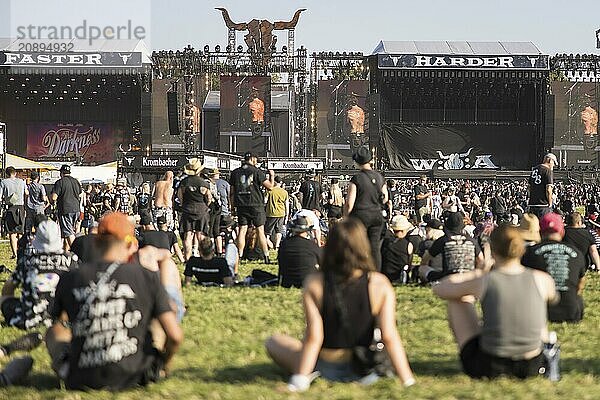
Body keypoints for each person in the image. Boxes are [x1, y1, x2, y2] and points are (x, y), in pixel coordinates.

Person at [265, 219, 415, 391]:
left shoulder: (315, 283)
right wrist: (408, 380)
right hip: (363, 366)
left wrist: (299, 381)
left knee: (274, 341)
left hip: (325, 365)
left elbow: (314, 337)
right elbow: (389, 336)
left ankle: (310, 371)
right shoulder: (379, 284)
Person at [46, 212, 183, 391]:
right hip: (137, 374)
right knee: (162, 315)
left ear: (95, 242)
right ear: (131, 244)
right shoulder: (146, 276)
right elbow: (175, 336)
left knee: (53, 331)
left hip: (83, 377)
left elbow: (61, 321)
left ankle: (63, 365)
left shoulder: (70, 278)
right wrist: (164, 362)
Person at [432, 224, 558, 379]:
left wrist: (480, 272)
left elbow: (441, 288)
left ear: (492, 249)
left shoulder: (485, 280)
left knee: (458, 299)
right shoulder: (542, 279)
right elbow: (552, 298)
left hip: (491, 365)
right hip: (533, 364)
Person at [1, 220, 78, 330]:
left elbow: (7, 289)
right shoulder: (71, 260)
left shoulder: (27, 261)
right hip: (62, 319)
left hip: (28, 320)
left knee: (4, 300)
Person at [521, 213, 587, 323]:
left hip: (538, 312)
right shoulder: (577, 253)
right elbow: (580, 286)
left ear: (541, 232)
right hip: (571, 312)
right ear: (562, 232)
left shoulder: (530, 253)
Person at [344, 146, 388, 270]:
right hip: (376, 215)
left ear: (357, 162)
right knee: (374, 247)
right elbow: (385, 197)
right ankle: (375, 273)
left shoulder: (356, 179)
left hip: (360, 215)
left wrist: (346, 217)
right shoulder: (380, 177)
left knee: (357, 244)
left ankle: (358, 269)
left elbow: (349, 203)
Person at [229, 152, 274, 263]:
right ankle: (266, 257)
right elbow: (270, 187)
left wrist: (232, 207)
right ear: (253, 159)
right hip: (256, 204)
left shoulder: (235, 172)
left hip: (241, 204)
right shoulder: (257, 171)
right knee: (260, 231)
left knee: (242, 230)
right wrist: (272, 176)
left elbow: (232, 192)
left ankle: (239, 256)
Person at [420, 212, 485, 282]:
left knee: (422, 268)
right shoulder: (472, 241)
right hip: (468, 279)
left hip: (449, 279)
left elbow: (425, 260)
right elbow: (481, 260)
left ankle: (427, 282)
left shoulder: (443, 240)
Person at [178, 158, 212, 260]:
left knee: (188, 235)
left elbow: (180, 198)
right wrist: (206, 205)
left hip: (188, 209)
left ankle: (187, 258)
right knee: (200, 234)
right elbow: (209, 198)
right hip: (201, 209)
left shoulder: (183, 183)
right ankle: (203, 256)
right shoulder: (204, 183)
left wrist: (184, 204)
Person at [277, 216, 321, 288]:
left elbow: (281, 263)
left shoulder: (284, 243)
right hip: (309, 281)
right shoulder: (311, 245)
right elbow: (323, 263)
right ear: (306, 230)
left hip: (287, 282)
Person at [51, 165, 82, 250]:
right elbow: (80, 193)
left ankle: (76, 253)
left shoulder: (60, 182)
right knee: (68, 233)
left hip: (65, 209)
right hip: (76, 209)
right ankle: (66, 252)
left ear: (61, 173)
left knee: (68, 233)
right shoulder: (76, 181)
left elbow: (54, 197)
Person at [0, 166, 27, 258]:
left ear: (6, 174)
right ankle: (22, 251)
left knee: (12, 232)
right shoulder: (22, 181)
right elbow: (26, 192)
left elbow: (0, 196)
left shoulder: (3, 182)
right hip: (21, 207)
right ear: (15, 173)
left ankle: (15, 253)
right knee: (20, 231)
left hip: (11, 208)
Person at [381, 215, 414, 283]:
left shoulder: (384, 242)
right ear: (403, 230)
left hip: (385, 275)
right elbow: (409, 263)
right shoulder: (408, 245)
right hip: (399, 275)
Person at [528, 153, 557, 218]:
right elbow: (548, 189)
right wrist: (550, 202)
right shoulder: (547, 171)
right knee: (544, 226)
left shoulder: (534, 169)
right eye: (554, 163)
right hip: (543, 205)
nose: (554, 165)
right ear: (550, 160)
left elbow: (529, 187)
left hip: (532, 204)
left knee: (533, 226)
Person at [265, 176, 289, 250]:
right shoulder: (284, 192)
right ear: (281, 183)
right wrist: (286, 215)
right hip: (281, 213)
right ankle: (277, 245)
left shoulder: (269, 191)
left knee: (267, 232)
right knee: (279, 231)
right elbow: (286, 205)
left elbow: (265, 201)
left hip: (271, 213)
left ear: (274, 181)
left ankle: (269, 244)